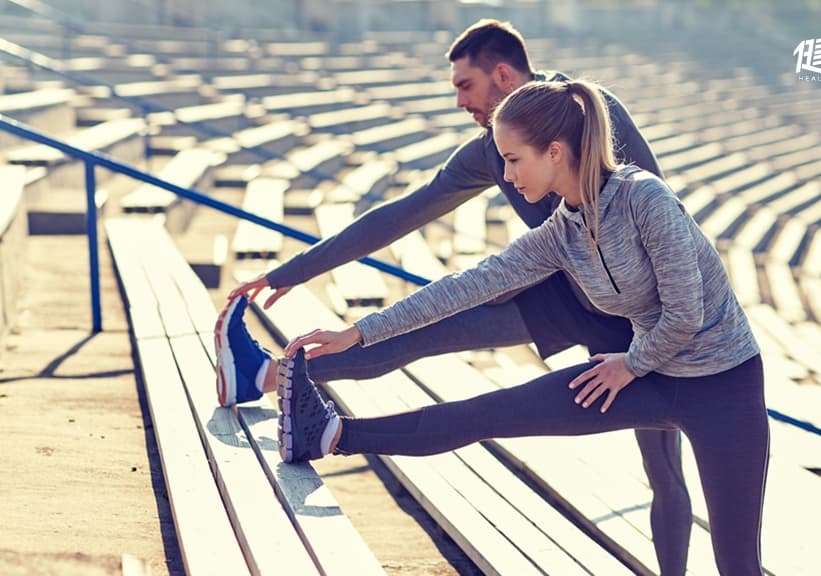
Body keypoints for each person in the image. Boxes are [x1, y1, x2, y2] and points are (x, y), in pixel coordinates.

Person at [226, 79, 769, 576]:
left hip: (722, 389)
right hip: (644, 375)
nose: (507, 177)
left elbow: (686, 313)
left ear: (554, 153)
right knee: (489, 413)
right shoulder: (564, 230)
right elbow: (469, 285)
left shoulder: (644, 198)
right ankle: (333, 435)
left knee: (736, 564)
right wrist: (361, 331)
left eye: (513, 160)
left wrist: (631, 363)